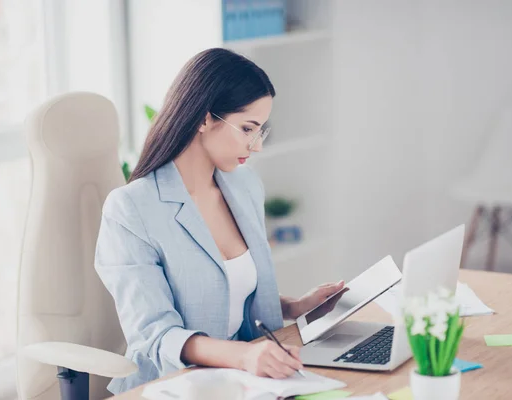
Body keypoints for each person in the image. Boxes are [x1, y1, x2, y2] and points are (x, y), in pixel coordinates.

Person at [95, 48, 344, 394]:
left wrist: (294, 306)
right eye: (247, 129)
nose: (255, 147)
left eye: (260, 132)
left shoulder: (243, 185)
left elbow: (229, 291)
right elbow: (156, 335)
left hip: (243, 381)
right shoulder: (131, 208)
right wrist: (244, 356)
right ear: (204, 118)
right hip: (172, 385)